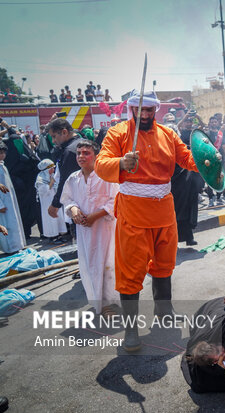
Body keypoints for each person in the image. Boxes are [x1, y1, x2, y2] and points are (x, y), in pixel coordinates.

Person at [95, 89, 200, 352]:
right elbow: (101, 163)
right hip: (134, 212)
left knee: (165, 263)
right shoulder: (118, 133)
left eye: (150, 110)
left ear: (156, 110)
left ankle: (164, 309)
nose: (145, 114)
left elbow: (186, 158)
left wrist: (205, 159)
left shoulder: (168, 133)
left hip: (164, 209)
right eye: (140, 110)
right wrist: (121, 162)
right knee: (130, 271)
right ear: (132, 109)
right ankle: (131, 330)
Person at [61, 140, 119, 316]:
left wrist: (96, 216)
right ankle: (98, 302)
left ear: (96, 155)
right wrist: (74, 210)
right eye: (79, 153)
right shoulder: (73, 178)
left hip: (106, 229)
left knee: (108, 264)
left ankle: (109, 303)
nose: (81, 156)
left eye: (86, 153)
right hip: (85, 232)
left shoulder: (105, 176)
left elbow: (116, 200)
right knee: (89, 266)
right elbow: (67, 200)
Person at [171, 111, 205, 245]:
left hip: (186, 177)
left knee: (189, 205)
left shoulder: (187, 139)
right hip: (172, 184)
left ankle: (189, 237)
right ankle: (173, 240)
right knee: (175, 211)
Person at [46, 118, 81, 231]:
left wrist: (55, 204)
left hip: (79, 204)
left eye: (54, 136)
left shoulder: (70, 151)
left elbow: (66, 181)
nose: (53, 141)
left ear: (64, 132)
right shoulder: (82, 143)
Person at [0, 141, 26, 254]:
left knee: (13, 222)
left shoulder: (2, 165)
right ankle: (10, 248)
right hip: (3, 203)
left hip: (9, 200)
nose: (2, 155)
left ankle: (17, 245)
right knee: (7, 224)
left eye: (3, 152)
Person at [34, 159, 67, 243]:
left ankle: (59, 234)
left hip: (54, 200)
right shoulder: (41, 178)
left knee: (58, 217)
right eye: (51, 168)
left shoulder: (52, 175)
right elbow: (43, 191)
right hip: (47, 202)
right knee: (50, 219)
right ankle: (53, 236)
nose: (53, 170)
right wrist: (51, 183)